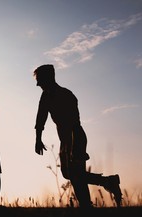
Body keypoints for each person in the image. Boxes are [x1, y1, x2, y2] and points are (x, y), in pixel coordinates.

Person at [33, 64, 122, 208]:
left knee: (76, 174)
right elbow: (40, 118)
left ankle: (86, 206)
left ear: (48, 78)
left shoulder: (66, 95)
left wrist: (74, 146)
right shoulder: (45, 97)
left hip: (76, 137)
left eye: (40, 80)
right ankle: (107, 182)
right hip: (65, 140)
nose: (37, 84)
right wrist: (38, 139)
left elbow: (74, 123)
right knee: (69, 174)